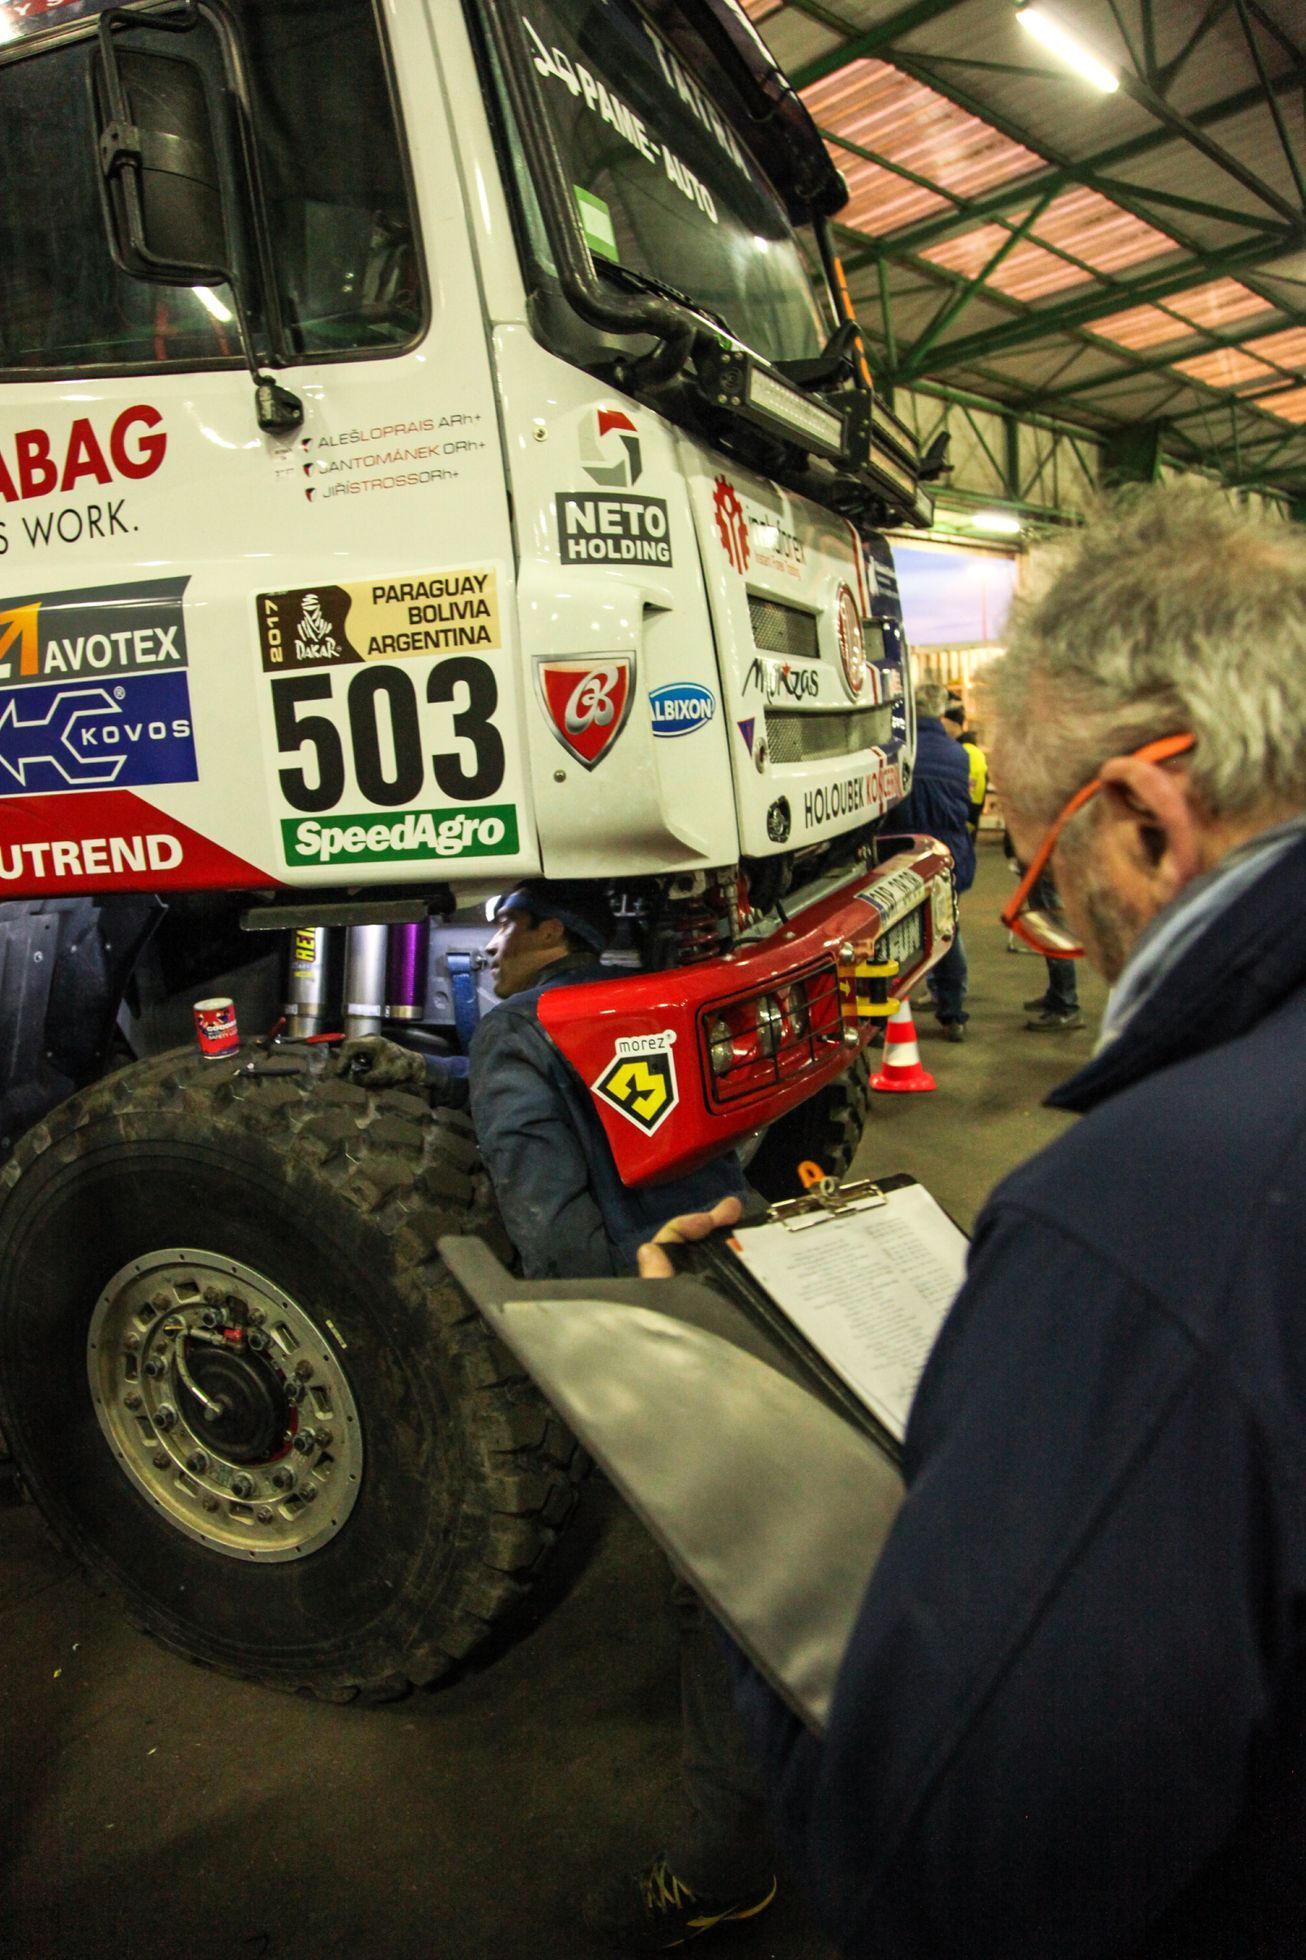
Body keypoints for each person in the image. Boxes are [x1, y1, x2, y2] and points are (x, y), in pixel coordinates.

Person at [646, 483, 1306, 1957]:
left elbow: (948, 1875)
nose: (1055, 923)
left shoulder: (1145, 1217)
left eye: (1050, 879)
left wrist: (754, 1479)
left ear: (1141, 817)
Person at [343, 879, 777, 1946]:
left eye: (509, 925)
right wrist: (430, 1070)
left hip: (661, 1311)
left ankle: (726, 1865)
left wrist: (592, 1358)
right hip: (753, 1264)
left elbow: (550, 1225)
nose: (493, 946)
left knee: (718, 1597)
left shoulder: (512, 1034)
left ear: (550, 931)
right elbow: (565, 1089)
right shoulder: (637, 997)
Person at [892, 682, 975, 1040]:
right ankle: (952, 1012)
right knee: (947, 928)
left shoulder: (902, 751)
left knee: (895, 934)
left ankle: (890, 1012)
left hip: (904, 852)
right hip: (951, 851)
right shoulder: (959, 754)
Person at [942, 699, 988, 836]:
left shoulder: (969, 753)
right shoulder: (959, 749)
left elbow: (974, 798)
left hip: (958, 826)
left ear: (953, 724)